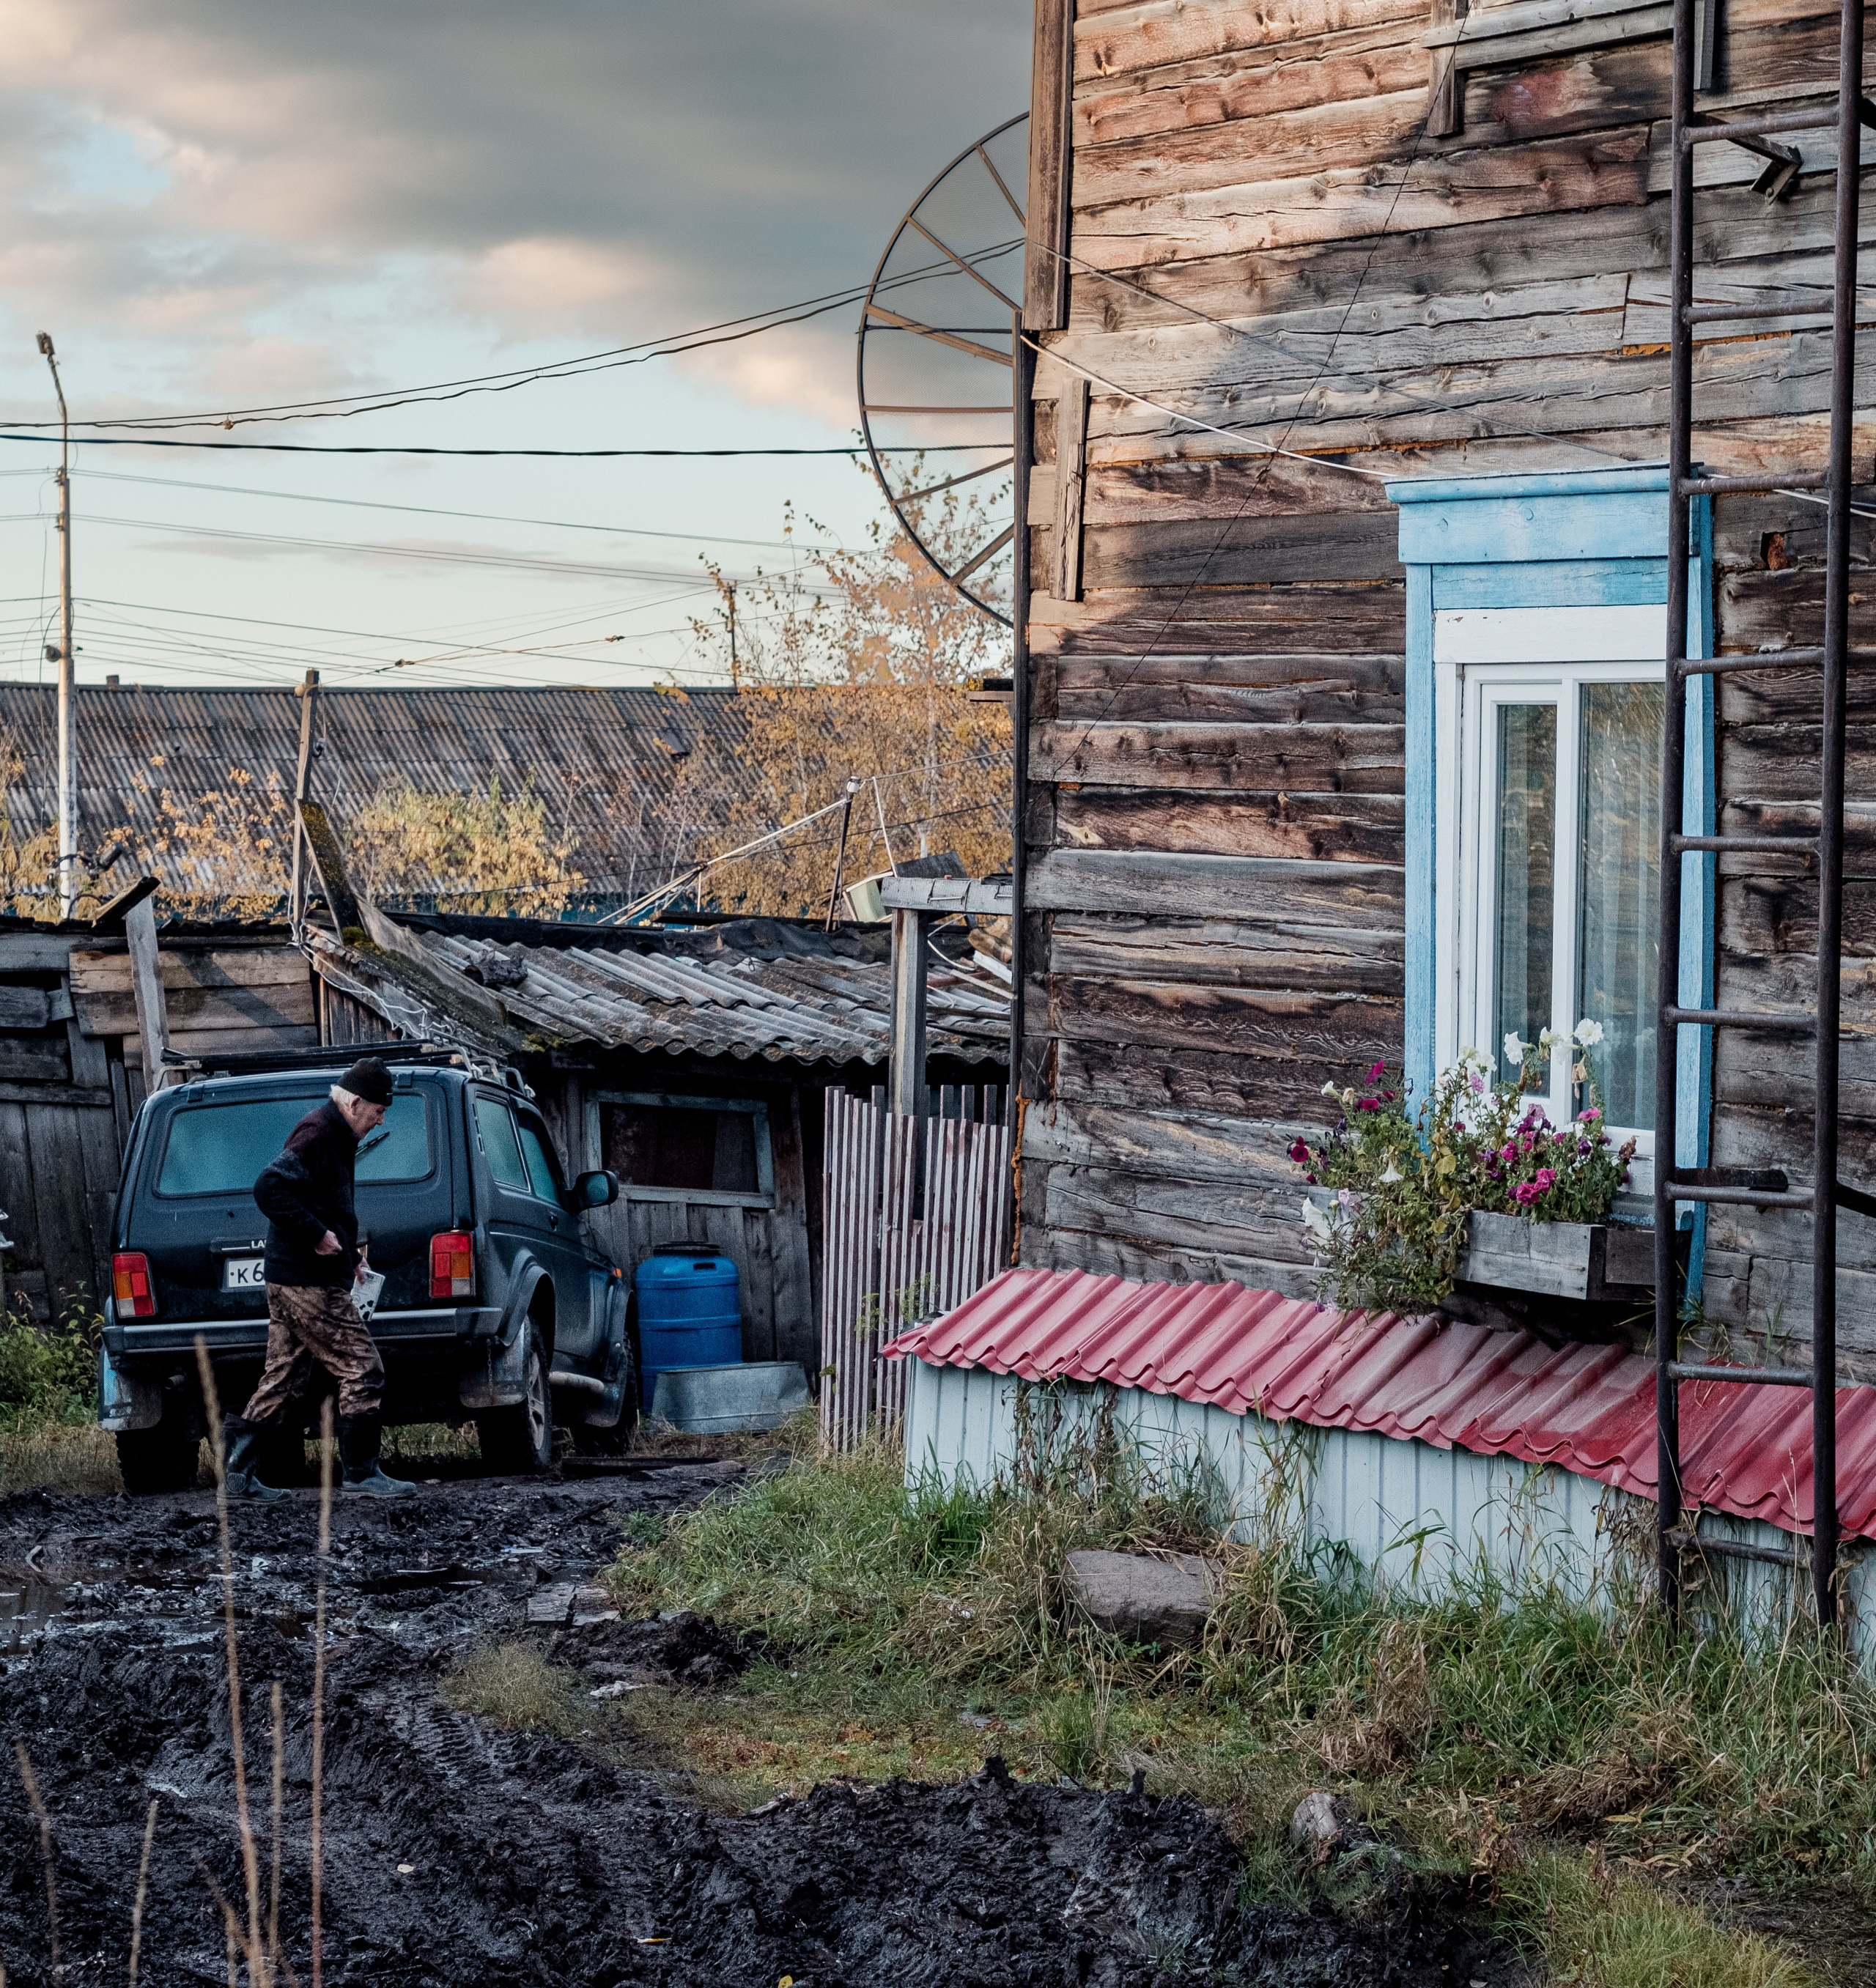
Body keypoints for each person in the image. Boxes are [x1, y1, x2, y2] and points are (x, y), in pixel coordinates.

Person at [220, 1055, 417, 1500]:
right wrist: (315, 1236)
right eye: (379, 1111)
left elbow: (326, 1206)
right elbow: (268, 1187)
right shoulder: (319, 1131)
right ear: (355, 1102)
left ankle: (237, 1478)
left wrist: (350, 1257)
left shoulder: (338, 1134)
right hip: (306, 1282)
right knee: (364, 1368)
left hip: (295, 1278)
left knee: (283, 1380)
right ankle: (363, 1476)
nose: (380, 1119)